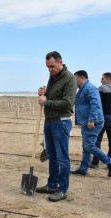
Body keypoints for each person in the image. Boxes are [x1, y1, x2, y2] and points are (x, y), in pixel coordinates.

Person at [35, 51, 77, 202]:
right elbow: (52, 96)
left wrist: (46, 102)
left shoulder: (70, 79)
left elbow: (67, 103)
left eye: (52, 66)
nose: (50, 69)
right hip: (50, 121)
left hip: (61, 122)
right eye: (47, 67)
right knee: (51, 155)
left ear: (61, 62)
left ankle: (62, 189)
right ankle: (52, 184)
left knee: (62, 157)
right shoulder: (53, 76)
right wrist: (43, 93)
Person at [70, 70, 111, 177]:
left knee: (90, 146)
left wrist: (91, 119)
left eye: (75, 79)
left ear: (82, 78)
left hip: (93, 122)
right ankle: (83, 169)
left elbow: (95, 104)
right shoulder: (82, 90)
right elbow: (76, 102)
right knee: (86, 146)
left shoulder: (89, 88)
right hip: (86, 122)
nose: (74, 81)